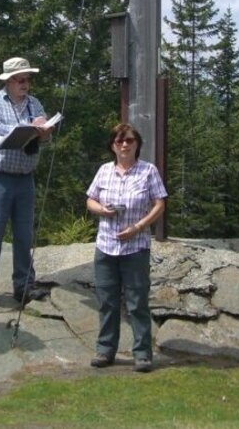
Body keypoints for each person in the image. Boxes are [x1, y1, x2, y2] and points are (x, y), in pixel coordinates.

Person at [0, 56, 55, 310]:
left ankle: (24, 285)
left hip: (25, 178)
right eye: (20, 79)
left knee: (24, 233)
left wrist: (44, 132)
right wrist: (28, 126)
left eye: (28, 79)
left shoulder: (35, 104)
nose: (25, 84)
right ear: (8, 81)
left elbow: (43, 140)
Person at [85, 123, 167, 373]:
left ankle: (142, 353)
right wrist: (101, 210)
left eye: (129, 141)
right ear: (112, 145)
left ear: (137, 145)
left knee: (137, 302)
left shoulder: (148, 171)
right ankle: (105, 350)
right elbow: (90, 199)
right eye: (120, 141)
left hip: (136, 246)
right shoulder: (104, 171)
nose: (124, 145)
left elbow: (159, 203)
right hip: (107, 246)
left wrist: (139, 226)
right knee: (107, 300)